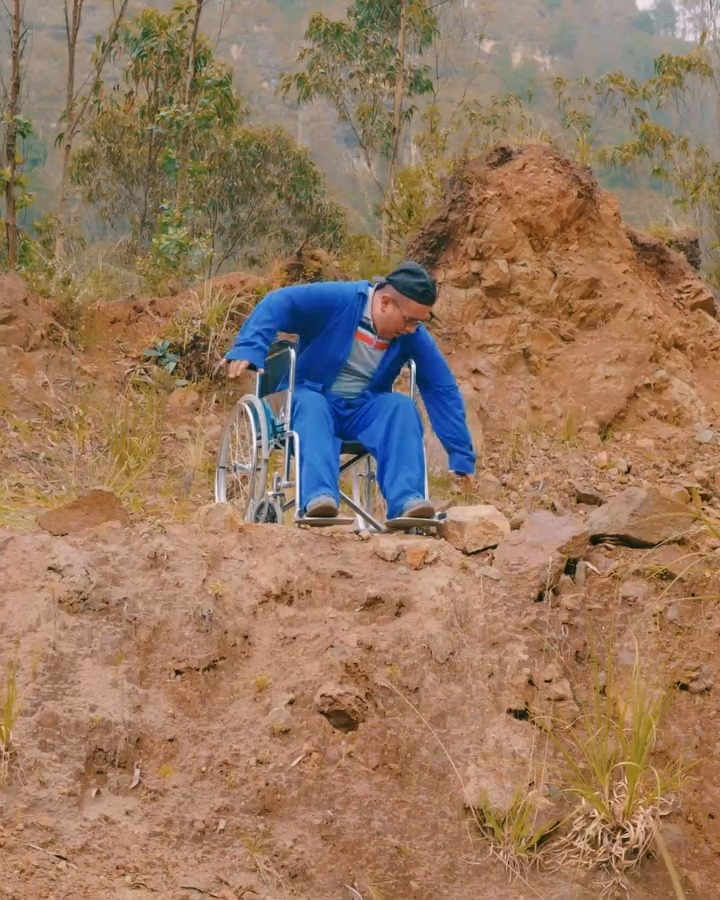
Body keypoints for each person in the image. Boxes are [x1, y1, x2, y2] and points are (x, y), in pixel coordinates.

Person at [222, 260, 476, 520]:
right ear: (385, 302)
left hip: (360, 410)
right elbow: (280, 301)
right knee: (312, 404)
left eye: (419, 323)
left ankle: (407, 501)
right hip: (309, 401)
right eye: (409, 320)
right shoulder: (340, 299)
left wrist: (461, 454)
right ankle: (319, 498)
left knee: (401, 407)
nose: (411, 329)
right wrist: (249, 347)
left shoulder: (412, 335)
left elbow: (441, 388)